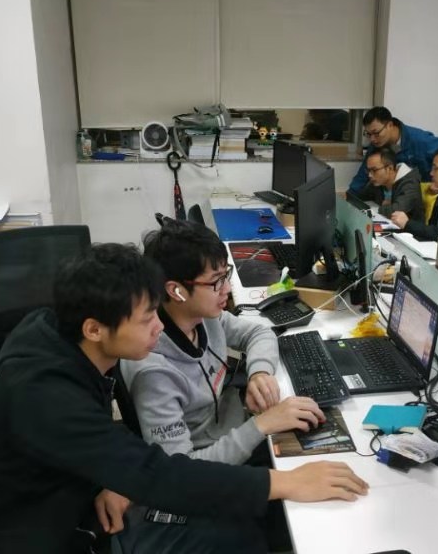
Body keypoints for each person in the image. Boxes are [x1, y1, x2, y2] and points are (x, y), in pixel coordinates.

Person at [0, 243, 368, 554]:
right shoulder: (46, 397)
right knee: (237, 534)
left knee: (244, 518)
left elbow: (82, 444)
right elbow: (159, 476)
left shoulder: (55, 332)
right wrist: (287, 482)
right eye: (146, 320)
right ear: (94, 329)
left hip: (55, 495)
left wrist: (102, 477)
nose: (159, 328)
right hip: (17, 536)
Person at [119, 219, 327, 551]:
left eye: (226, 274)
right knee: (308, 500)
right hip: (206, 473)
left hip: (235, 438)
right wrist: (261, 425)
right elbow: (182, 473)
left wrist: (259, 373)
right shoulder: (153, 371)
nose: (227, 289)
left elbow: (258, 332)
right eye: (216, 281)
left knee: (317, 446)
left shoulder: (202, 318)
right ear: (176, 290)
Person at [348, 106, 438, 193]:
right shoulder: (377, 144)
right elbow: (364, 172)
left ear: (390, 125)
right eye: (368, 134)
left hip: (426, 194)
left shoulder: (419, 140)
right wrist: (350, 194)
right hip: (400, 194)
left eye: (376, 133)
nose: (372, 139)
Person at [353, 147, 424, 221]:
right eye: (368, 170)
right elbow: (359, 198)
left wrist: (380, 208)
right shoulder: (377, 181)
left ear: (389, 168)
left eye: (374, 170)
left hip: (407, 227)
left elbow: (396, 211)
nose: (370, 175)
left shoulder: (410, 183)